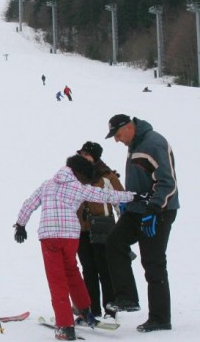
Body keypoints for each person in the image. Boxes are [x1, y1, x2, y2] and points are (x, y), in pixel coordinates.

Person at [14, 156, 136, 341]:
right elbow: (105, 195)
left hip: (50, 237)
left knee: (57, 280)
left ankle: (65, 326)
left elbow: (29, 204)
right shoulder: (78, 187)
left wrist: (20, 225)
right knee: (72, 272)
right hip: (71, 236)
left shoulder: (47, 185)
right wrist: (133, 196)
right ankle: (85, 311)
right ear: (78, 173)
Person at [103, 114, 179, 332]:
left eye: (118, 135)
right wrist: (128, 199)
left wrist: (154, 209)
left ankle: (160, 317)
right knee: (114, 243)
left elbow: (167, 182)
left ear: (129, 128)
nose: (117, 140)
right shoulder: (134, 144)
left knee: (153, 262)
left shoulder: (154, 143)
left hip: (159, 211)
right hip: (137, 209)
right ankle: (127, 297)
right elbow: (140, 179)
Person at [74, 142, 124, 319]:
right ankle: (91, 308)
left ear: (95, 157)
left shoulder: (107, 176)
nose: (83, 157)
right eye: (81, 154)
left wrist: (122, 228)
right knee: (88, 270)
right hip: (81, 229)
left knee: (105, 269)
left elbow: (121, 201)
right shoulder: (75, 176)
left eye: (86, 154)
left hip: (104, 228)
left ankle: (110, 309)